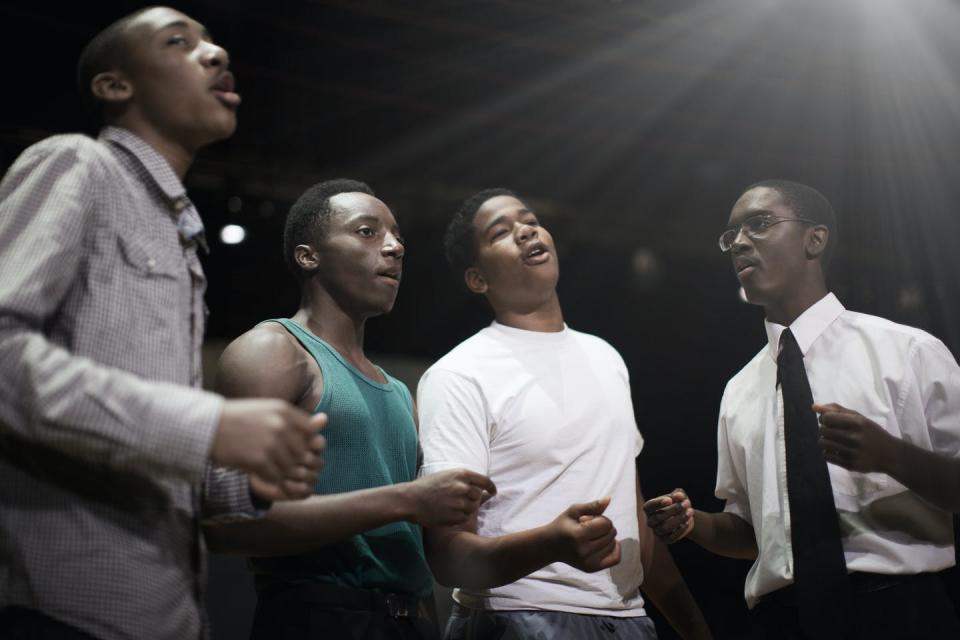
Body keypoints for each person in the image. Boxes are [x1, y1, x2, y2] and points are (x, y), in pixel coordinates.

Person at [0, 8, 325, 640]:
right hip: (61, 611)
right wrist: (207, 425)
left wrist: (242, 480)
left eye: (215, 43)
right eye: (180, 42)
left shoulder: (181, 237)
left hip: (165, 616)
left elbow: (149, 443)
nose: (216, 53)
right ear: (114, 86)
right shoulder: (77, 163)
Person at [644, 180, 960, 639]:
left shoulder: (907, 352)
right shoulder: (738, 391)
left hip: (896, 610)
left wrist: (891, 455)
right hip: (780, 620)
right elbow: (755, 535)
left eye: (759, 224)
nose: (739, 243)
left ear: (815, 239)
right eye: (730, 236)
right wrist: (697, 525)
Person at [204, 179, 496, 640]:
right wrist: (408, 500)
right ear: (308, 256)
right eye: (367, 232)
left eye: (398, 236)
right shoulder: (273, 351)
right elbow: (226, 523)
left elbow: (410, 560)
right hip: (316, 618)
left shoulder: (400, 391)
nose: (395, 247)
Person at [416, 188, 712, 639]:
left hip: (629, 620)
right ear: (478, 279)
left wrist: (694, 629)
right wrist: (550, 544)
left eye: (529, 219)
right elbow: (448, 557)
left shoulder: (606, 357)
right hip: (517, 616)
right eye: (501, 231)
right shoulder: (459, 374)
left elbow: (634, 528)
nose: (525, 230)